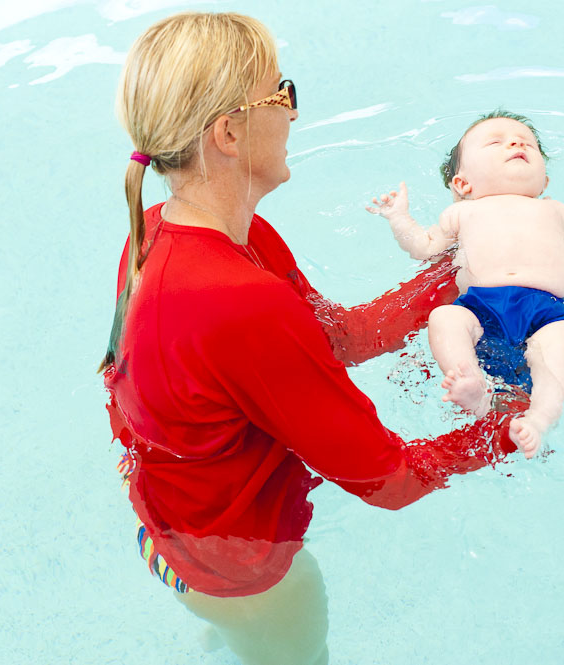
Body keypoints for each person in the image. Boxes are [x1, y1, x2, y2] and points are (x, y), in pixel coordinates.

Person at [99, 13, 523, 665]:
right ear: (230, 133)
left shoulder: (160, 229)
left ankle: (233, 632)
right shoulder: (242, 304)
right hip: (248, 578)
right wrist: (509, 424)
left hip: (169, 536)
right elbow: (391, 479)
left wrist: (452, 272)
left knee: (247, 636)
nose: (293, 114)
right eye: (281, 94)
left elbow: (340, 337)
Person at [367, 110, 564, 460]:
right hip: (480, 308)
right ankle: (473, 386)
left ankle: (540, 420)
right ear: (463, 184)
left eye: (527, 143)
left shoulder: (555, 211)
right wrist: (399, 218)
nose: (517, 143)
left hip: (546, 311)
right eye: (496, 142)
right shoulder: (461, 213)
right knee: (444, 318)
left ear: (543, 180)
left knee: (558, 341)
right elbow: (423, 247)